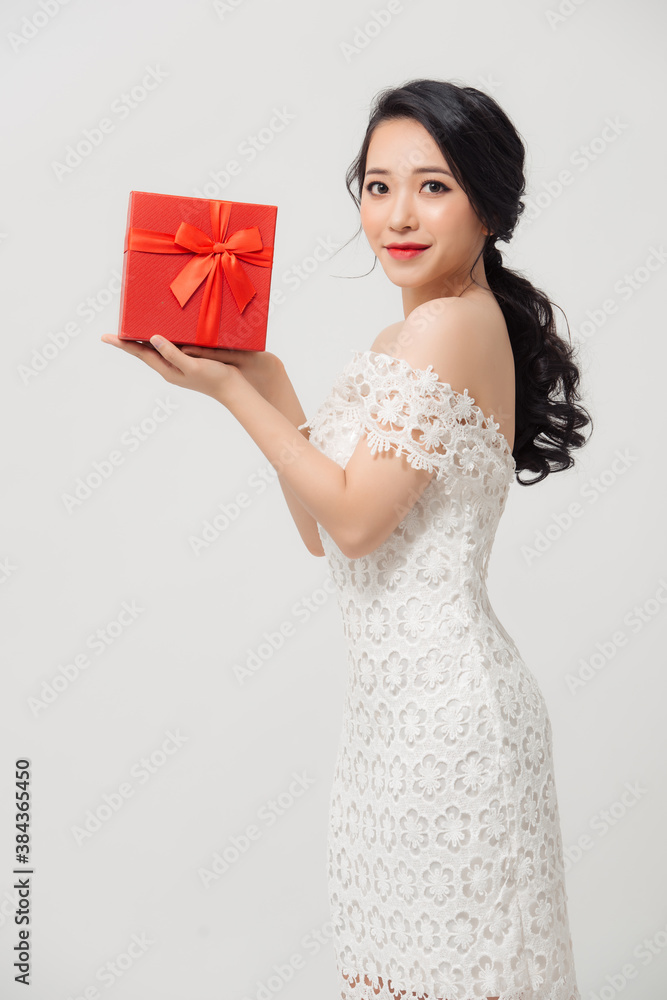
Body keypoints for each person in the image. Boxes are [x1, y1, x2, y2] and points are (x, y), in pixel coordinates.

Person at [102, 78, 592, 1000]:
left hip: (450, 725)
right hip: (390, 725)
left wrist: (226, 395)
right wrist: (266, 372)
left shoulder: (447, 326)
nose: (397, 215)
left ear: (489, 203)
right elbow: (321, 525)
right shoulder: (410, 332)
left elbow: (359, 524)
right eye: (376, 186)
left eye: (432, 186)